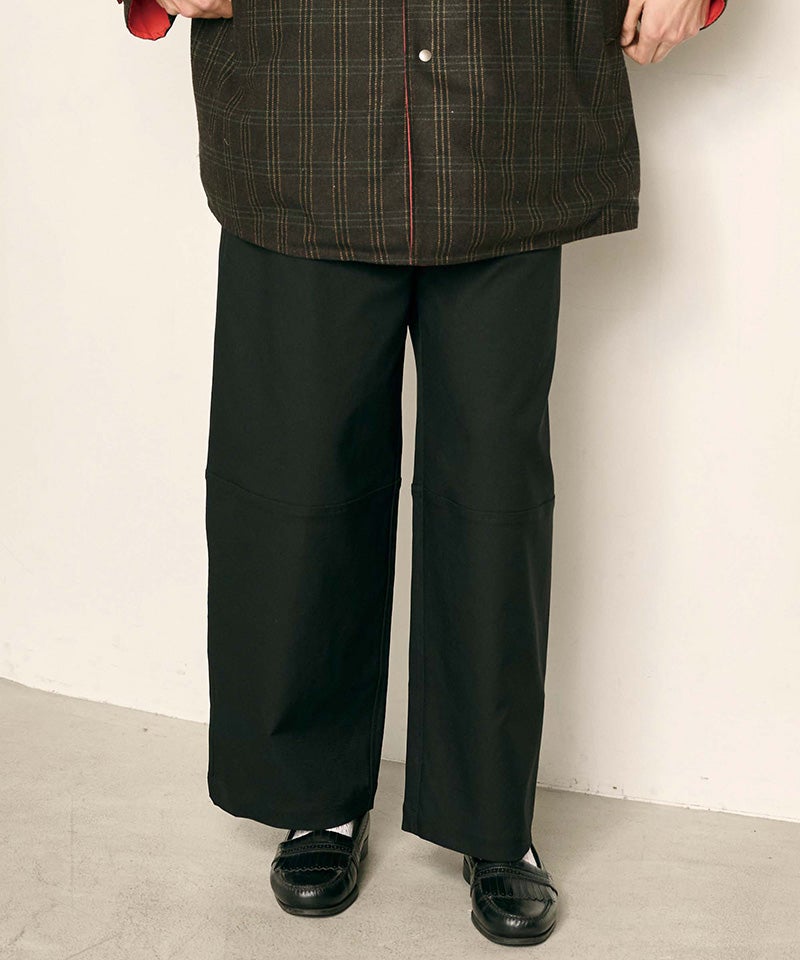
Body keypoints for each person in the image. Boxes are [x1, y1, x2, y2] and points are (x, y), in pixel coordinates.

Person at [116, 0, 729, 945]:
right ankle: (314, 797)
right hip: (303, 87)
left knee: (492, 490)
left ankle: (492, 819)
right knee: (294, 472)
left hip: (506, 85)